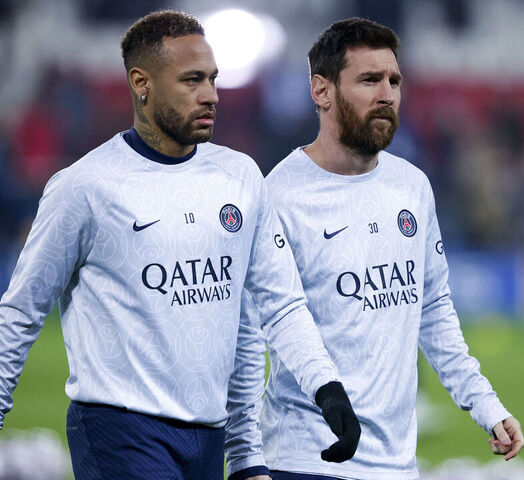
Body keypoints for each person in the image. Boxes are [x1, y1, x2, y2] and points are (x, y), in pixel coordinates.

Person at [0, 10, 360, 480]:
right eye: (191, 80)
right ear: (141, 83)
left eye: (212, 79)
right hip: (120, 431)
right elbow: (21, 312)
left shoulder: (240, 177)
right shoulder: (84, 187)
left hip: (208, 437)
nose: (210, 95)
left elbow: (277, 306)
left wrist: (324, 389)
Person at [226, 18, 524, 480]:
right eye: (369, 80)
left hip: (397, 466)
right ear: (321, 91)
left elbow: (435, 310)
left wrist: (485, 404)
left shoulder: (412, 187)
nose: (387, 93)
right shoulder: (279, 195)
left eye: (394, 80)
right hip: (306, 460)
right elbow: (248, 338)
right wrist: (246, 459)